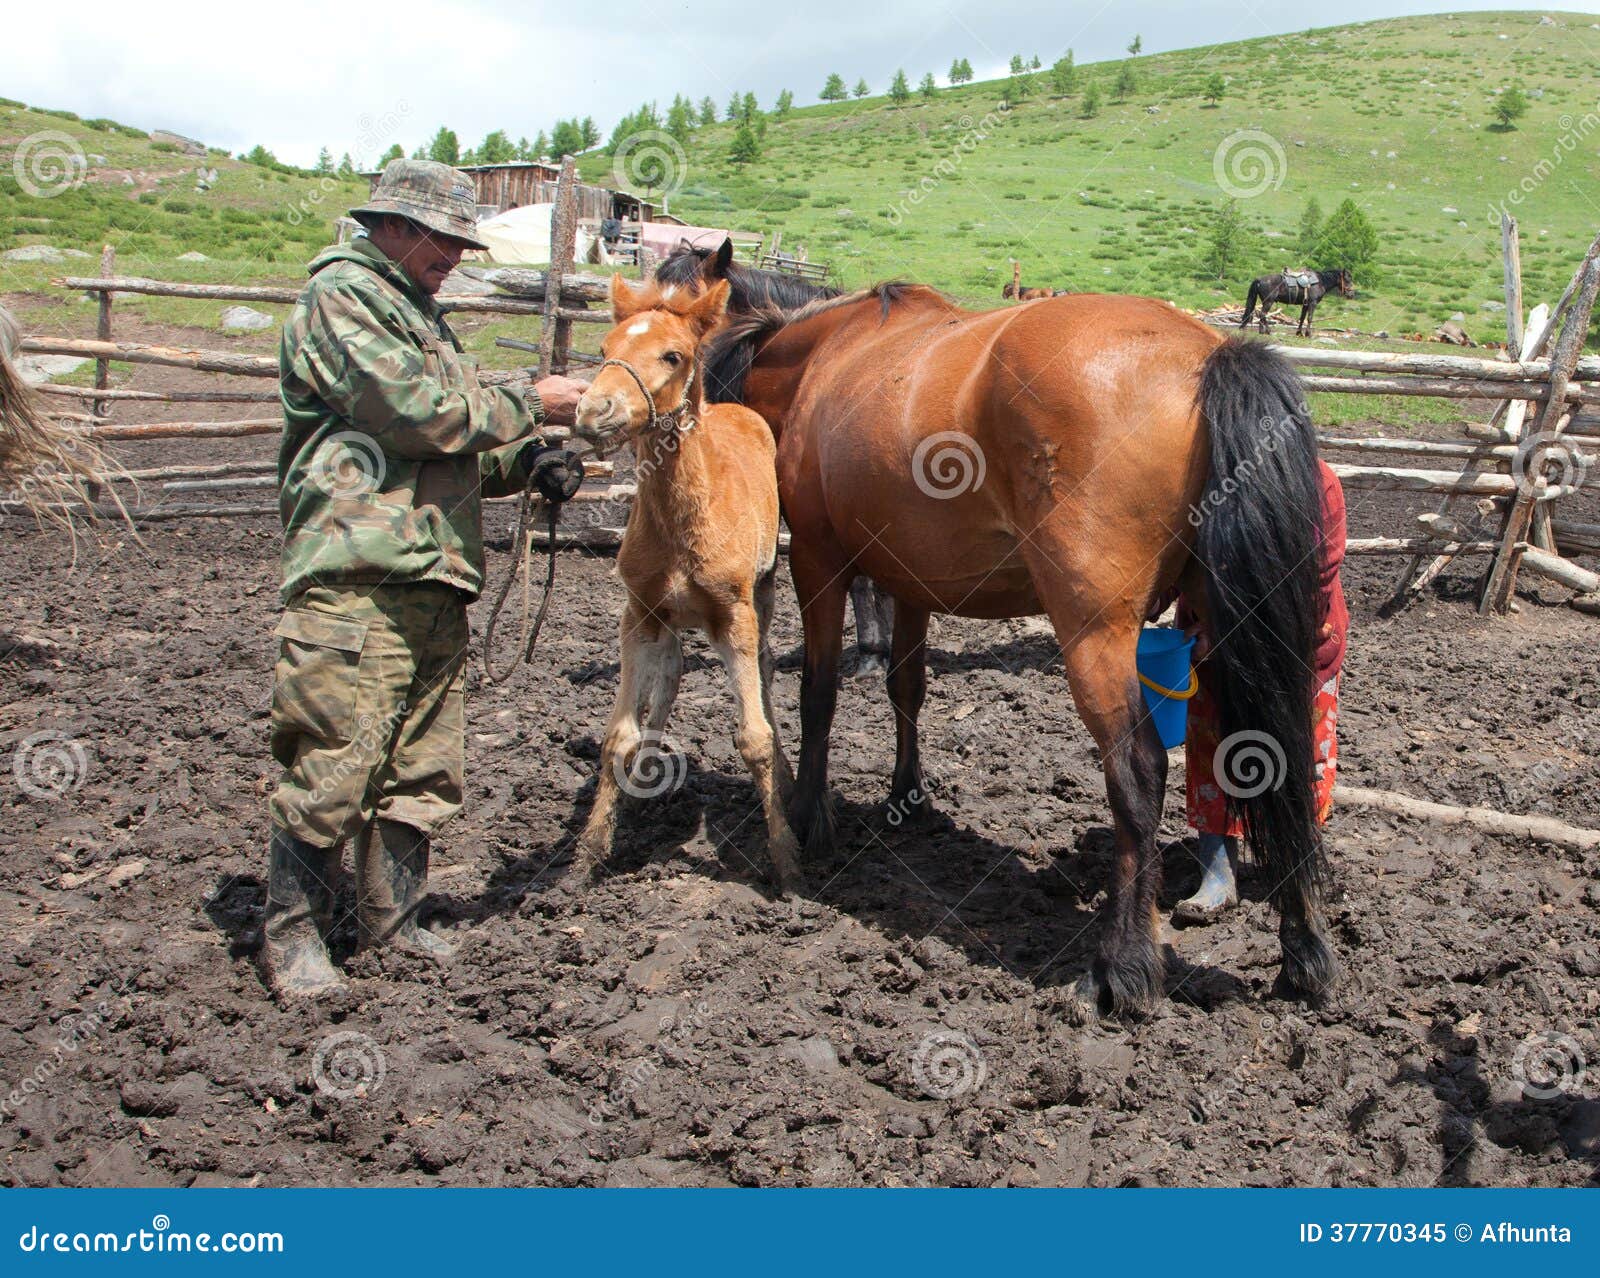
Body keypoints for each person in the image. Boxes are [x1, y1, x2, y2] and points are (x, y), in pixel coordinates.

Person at [263, 158, 588, 997]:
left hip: (432, 572)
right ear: (394, 228)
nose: (453, 254)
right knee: (335, 756)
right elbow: (415, 414)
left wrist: (527, 463)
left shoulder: (418, 316)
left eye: (458, 241)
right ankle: (295, 940)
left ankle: (391, 928)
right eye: (441, 238)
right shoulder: (341, 300)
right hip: (359, 570)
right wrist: (533, 403)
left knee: (419, 768)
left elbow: (450, 449)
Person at [1172, 458, 1348, 924]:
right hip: (1211, 640)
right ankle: (1217, 871)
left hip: (1297, 645)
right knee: (1213, 745)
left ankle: (1296, 864)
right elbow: (1177, 551)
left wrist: (1235, 636)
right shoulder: (1201, 477)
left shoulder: (1318, 485)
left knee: (1298, 751)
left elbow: (1314, 581)